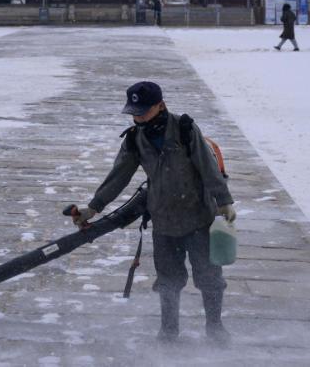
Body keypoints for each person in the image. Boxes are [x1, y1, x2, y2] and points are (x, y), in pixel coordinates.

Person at [73, 82, 236, 345]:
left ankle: (215, 327)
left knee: (209, 278)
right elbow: (118, 175)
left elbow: (208, 168)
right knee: (169, 280)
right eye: (134, 112)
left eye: (143, 111)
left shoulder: (185, 128)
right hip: (164, 222)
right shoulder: (135, 139)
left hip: (199, 218)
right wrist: (93, 207)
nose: (138, 117)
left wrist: (224, 201)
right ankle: (169, 331)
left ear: (160, 105)